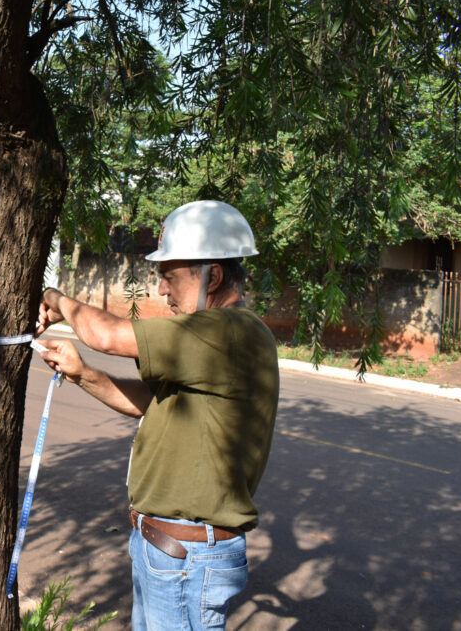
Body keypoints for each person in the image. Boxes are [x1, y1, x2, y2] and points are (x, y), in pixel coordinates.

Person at [35, 200, 279, 630]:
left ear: (213, 275)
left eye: (169, 277)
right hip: (167, 552)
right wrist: (83, 375)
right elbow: (151, 404)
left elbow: (106, 334)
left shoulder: (228, 333)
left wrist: (55, 299)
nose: (162, 290)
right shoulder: (211, 342)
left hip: (186, 559)